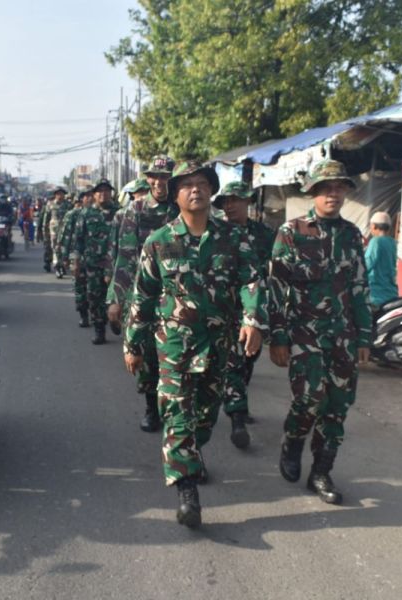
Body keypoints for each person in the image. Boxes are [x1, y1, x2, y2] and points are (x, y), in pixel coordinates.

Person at [123, 161, 267, 528]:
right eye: (186, 185)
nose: (195, 189)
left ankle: (193, 453)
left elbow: (251, 282)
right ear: (176, 194)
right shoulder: (159, 242)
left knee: (205, 416)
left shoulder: (233, 238)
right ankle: (187, 491)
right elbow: (144, 295)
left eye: (202, 183)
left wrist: (252, 319)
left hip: (218, 344)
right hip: (173, 345)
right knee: (177, 415)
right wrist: (132, 343)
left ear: (211, 190)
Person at [268, 159, 372, 505]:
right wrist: (279, 337)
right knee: (310, 398)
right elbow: (275, 288)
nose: (333, 193)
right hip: (304, 334)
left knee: (338, 405)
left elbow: (359, 286)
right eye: (325, 188)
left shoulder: (351, 235)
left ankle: (322, 472)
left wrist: (364, 337)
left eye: (338, 187)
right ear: (312, 192)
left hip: (342, 335)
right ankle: (293, 439)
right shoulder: (292, 232)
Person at [107, 155, 177, 433]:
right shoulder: (134, 211)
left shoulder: (180, 209)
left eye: (165, 177)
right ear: (148, 179)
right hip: (142, 293)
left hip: (175, 295)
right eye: (155, 177)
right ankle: (151, 407)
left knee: (174, 355)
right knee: (146, 355)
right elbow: (124, 259)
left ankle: (175, 409)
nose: (160, 182)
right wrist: (115, 299)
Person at [212, 181, 276, 449]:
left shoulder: (264, 234)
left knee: (249, 358)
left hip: (255, 306)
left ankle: (236, 401)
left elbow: (279, 268)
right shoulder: (215, 233)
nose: (229, 205)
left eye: (235, 199)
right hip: (225, 309)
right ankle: (237, 416)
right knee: (233, 363)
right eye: (225, 200)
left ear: (248, 202)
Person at [71, 179, 117, 344]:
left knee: (117, 297)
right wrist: (75, 261)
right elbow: (78, 240)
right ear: (94, 195)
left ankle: (115, 320)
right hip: (93, 264)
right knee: (95, 298)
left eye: (106, 191)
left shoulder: (120, 213)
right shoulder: (86, 214)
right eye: (99, 191)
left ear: (111, 193)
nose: (103, 194)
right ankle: (99, 330)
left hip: (116, 265)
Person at [56, 192, 90, 327]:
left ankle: (98, 315)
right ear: (81, 199)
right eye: (86, 196)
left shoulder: (101, 213)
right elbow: (66, 236)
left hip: (97, 258)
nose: (89, 198)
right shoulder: (73, 214)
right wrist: (64, 257)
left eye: (91, 195)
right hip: (77, 257)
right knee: (80, 287)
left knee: (97, 290)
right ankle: (83, 314)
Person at [365, 211, 398, 311]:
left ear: (374, 226)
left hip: (376, 295)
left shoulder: (376, 241)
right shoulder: (393, 243)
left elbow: (366, 265)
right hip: (391, 292)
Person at [38, 187, 72, 276]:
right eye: (58, 194)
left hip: (65, 231)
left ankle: (62, 265)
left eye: (62, 194)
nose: (60, 196)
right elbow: (46, 219)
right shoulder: (50, 204)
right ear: (55, 195)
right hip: (53, 231)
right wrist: (44, 231)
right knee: (55, 248)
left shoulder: (68, 205)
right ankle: (57, 266)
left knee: (64, 249)